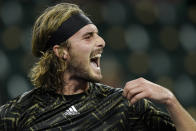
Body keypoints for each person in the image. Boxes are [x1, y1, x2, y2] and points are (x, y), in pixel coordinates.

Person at [0, 2, 196, 131]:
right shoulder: (17, 113)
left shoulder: (124, 104)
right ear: (62, 52)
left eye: (98, 34)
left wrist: (170, 100)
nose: (101, 41)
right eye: (88, 36)